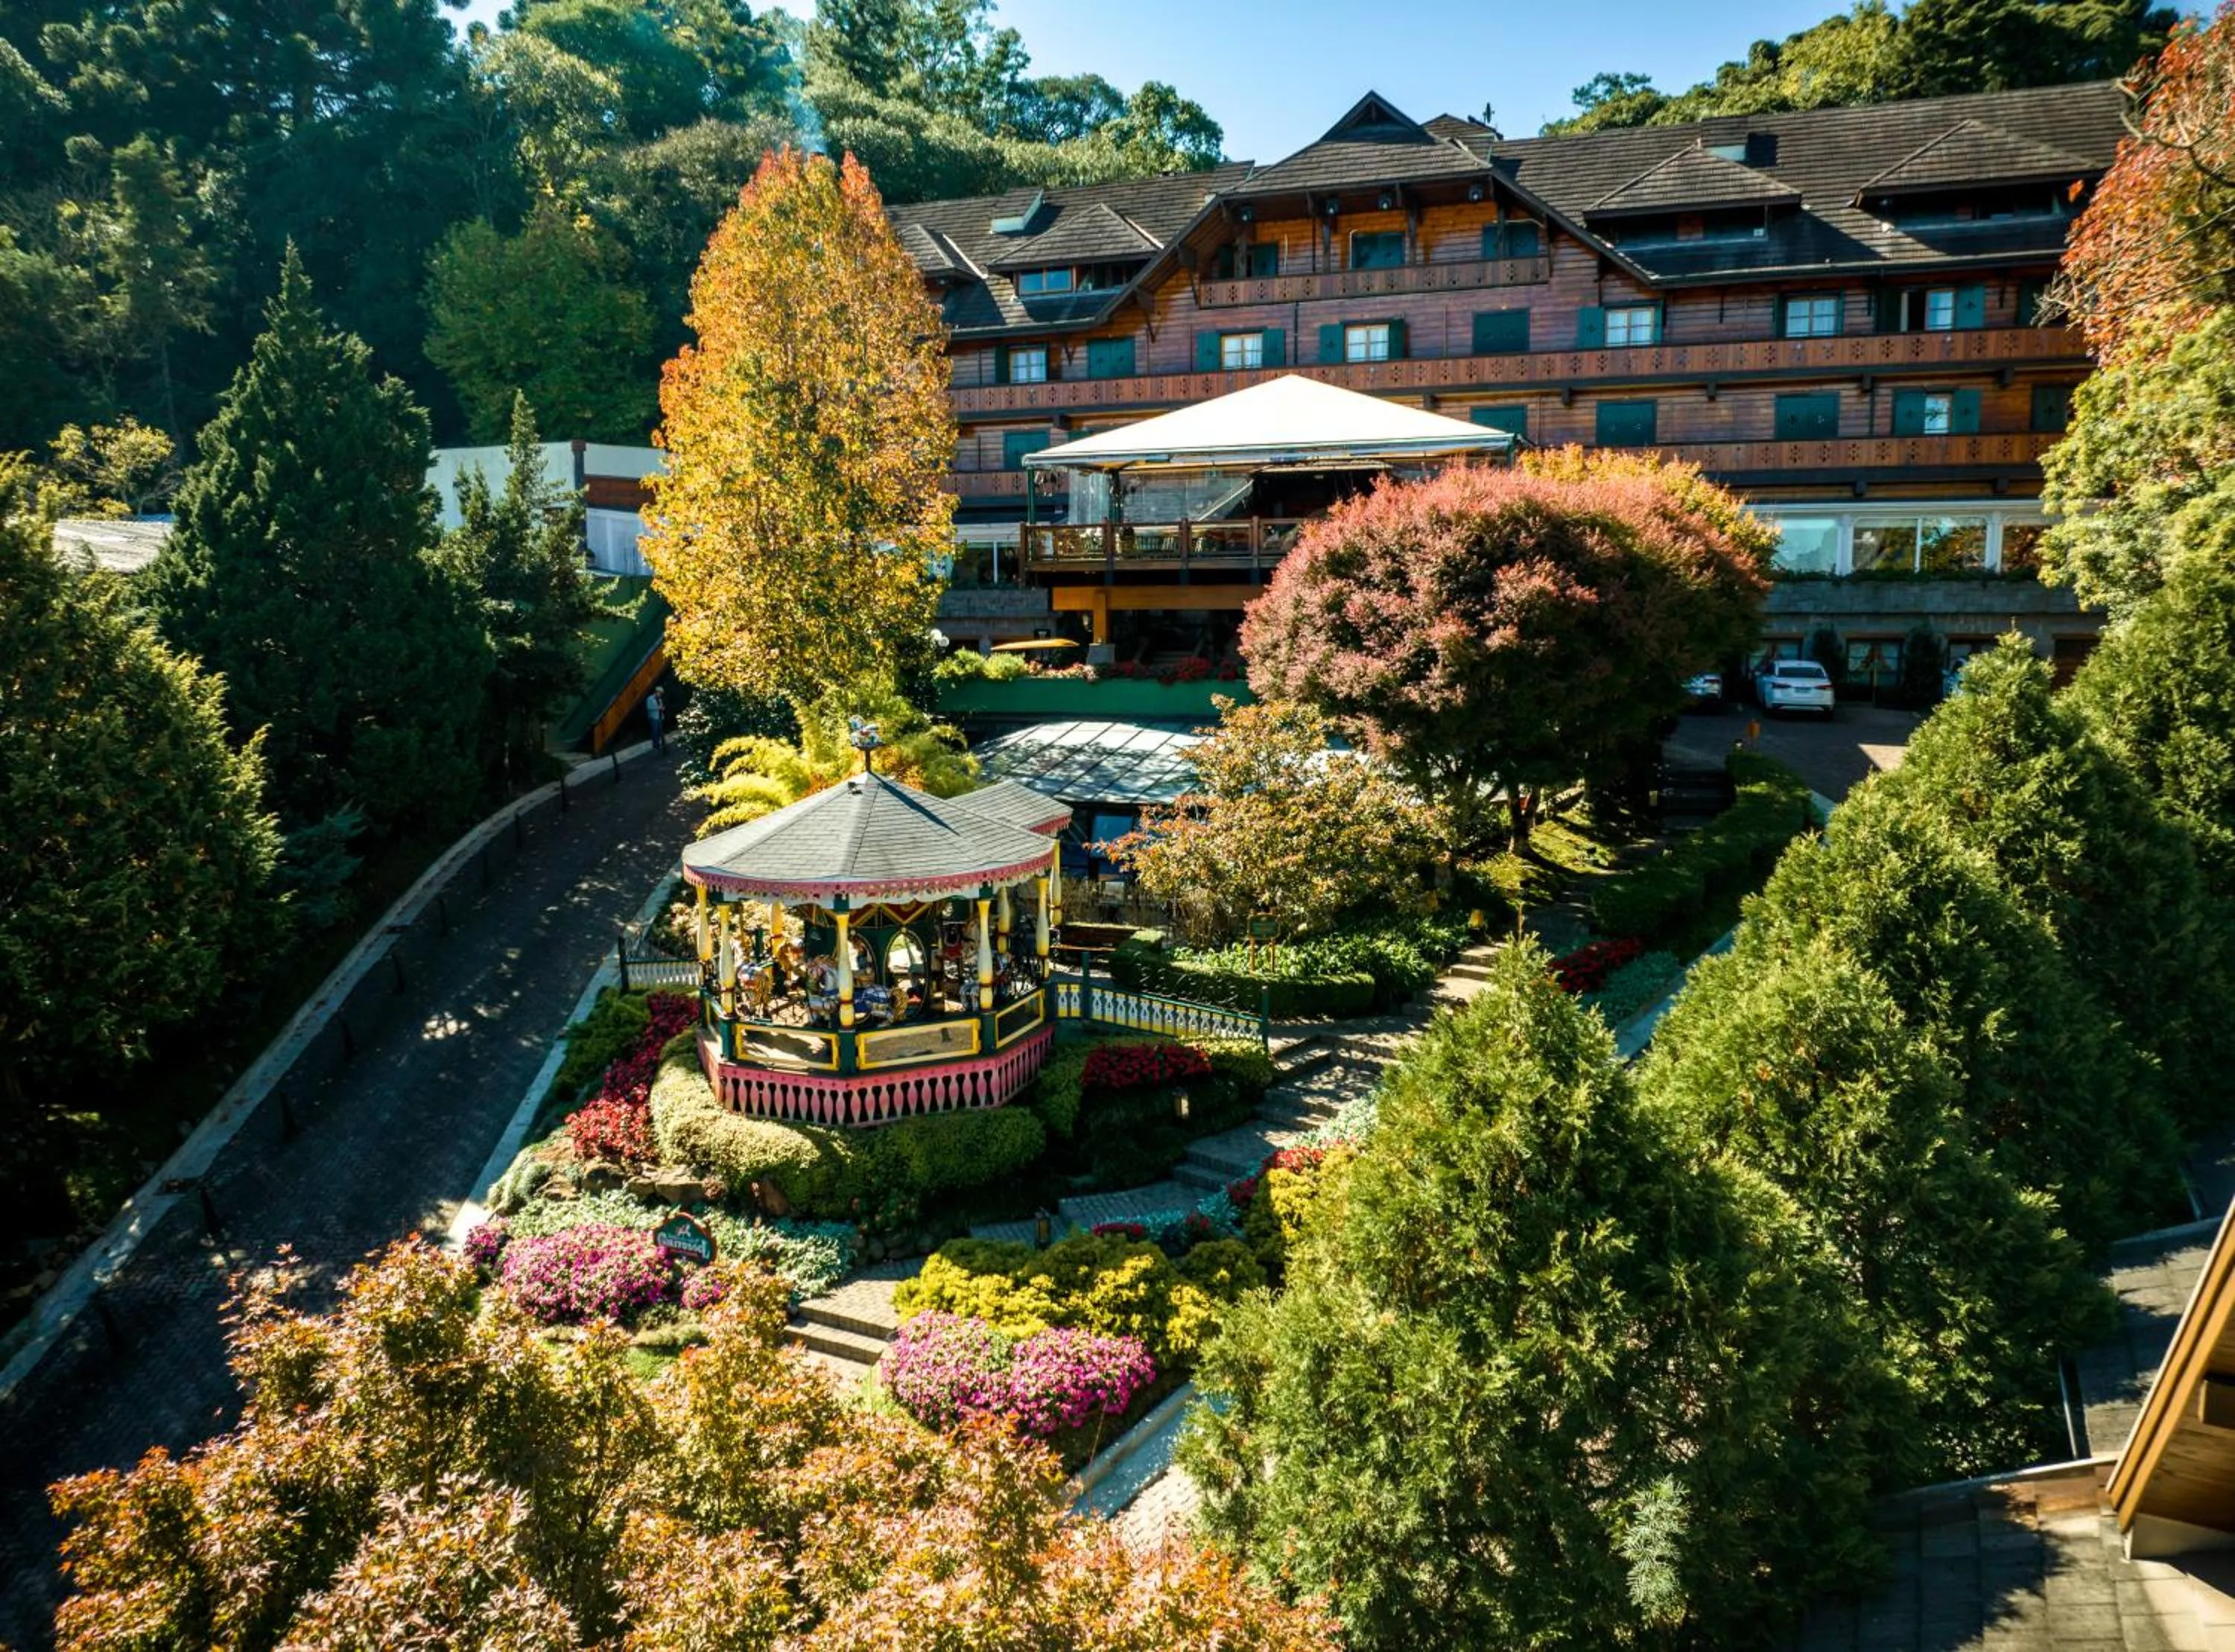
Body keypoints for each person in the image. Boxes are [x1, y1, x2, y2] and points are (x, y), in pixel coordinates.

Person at [645, 686, 668, 753]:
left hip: (660, 717)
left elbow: (661, 706)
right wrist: (658, 708)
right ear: (656, 692)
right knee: (655, 732)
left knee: (660, 731)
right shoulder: (650, 699)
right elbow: (649, 708)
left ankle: (663, 745)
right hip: (654, 718)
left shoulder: (660, 699)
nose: (660, 694)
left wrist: (662, 708)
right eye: (660, 693)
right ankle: (656, 745)